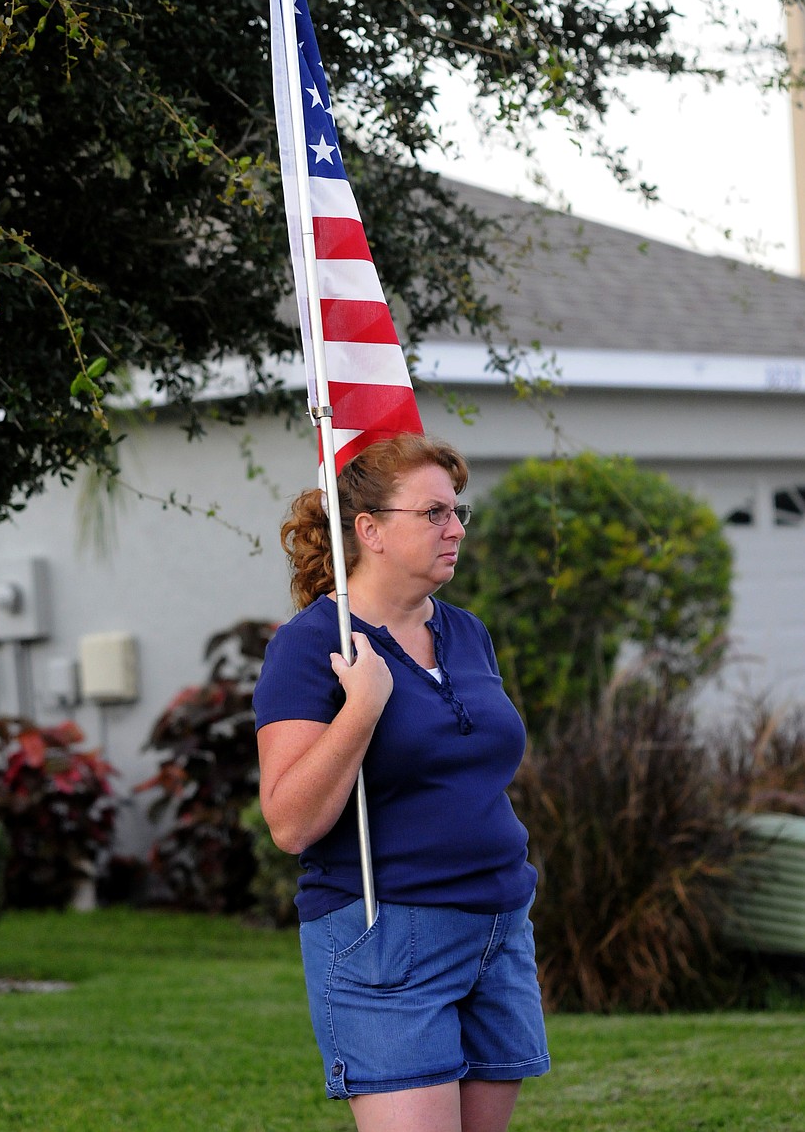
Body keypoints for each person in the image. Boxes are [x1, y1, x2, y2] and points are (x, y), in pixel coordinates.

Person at [253, 434, 549, 1132]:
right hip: (388, 936)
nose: (457, 529)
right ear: (370, 529)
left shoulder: (467, 632)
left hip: (499, 929)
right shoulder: (311, 643)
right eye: (435, 513)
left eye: (458, 511)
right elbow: (291, 822)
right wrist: (361, 707)